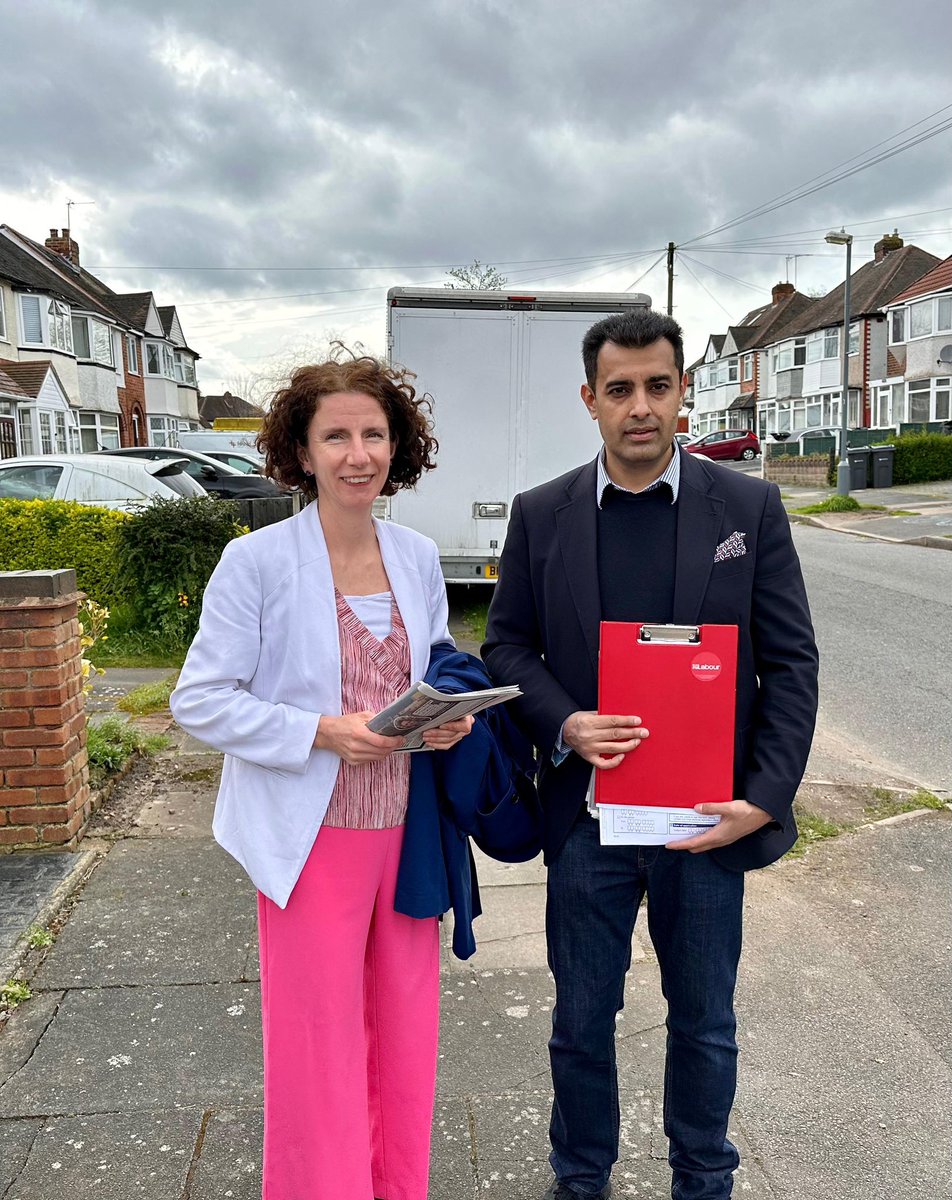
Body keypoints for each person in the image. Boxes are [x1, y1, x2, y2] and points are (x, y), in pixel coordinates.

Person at [482, 310, 819, 1200]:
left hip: (706, 821)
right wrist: (565, 722)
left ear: (682, 394)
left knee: (705, 1023)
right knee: (582, 1020)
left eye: (658, 386)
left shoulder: (746, 506)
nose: (641, 407)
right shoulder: (542, 514)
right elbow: (506, 647)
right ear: (589, 399)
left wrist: (767, 795)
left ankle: (704, 1179)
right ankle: (581, 1177)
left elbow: (789, 662)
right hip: (588, 823)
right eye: (620, 389)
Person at [170, 350, 473, 1200]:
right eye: (335, 435)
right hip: (312, 843)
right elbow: (200, 700)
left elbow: (434, 664)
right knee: (318, 1046)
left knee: (407, 1035)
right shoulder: (257, 563)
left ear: (397, 446)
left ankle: (395, 1187)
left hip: (409, 834)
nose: (357, 454)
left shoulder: (415, 555)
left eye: (374, 434)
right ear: (301, 452)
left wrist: (446, 719)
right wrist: (319, 732)